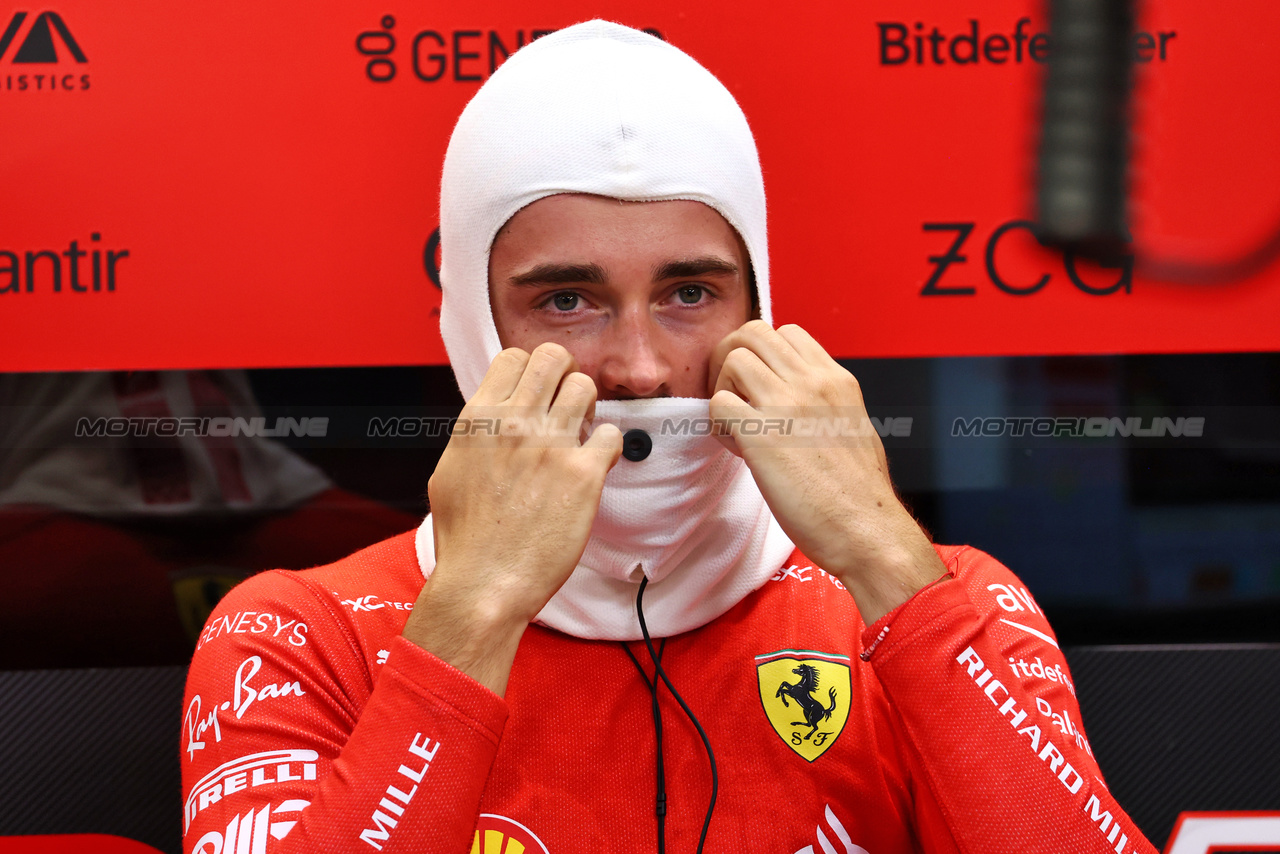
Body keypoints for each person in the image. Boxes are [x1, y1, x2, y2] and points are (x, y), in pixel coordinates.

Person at [180, 21, 1155, 854]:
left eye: (688, 292)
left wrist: (883, 560)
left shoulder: (939, 601)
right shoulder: (298, 634)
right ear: (473, 322)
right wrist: (469, 613)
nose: (639, 367)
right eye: (569, 298)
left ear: (758, 303)